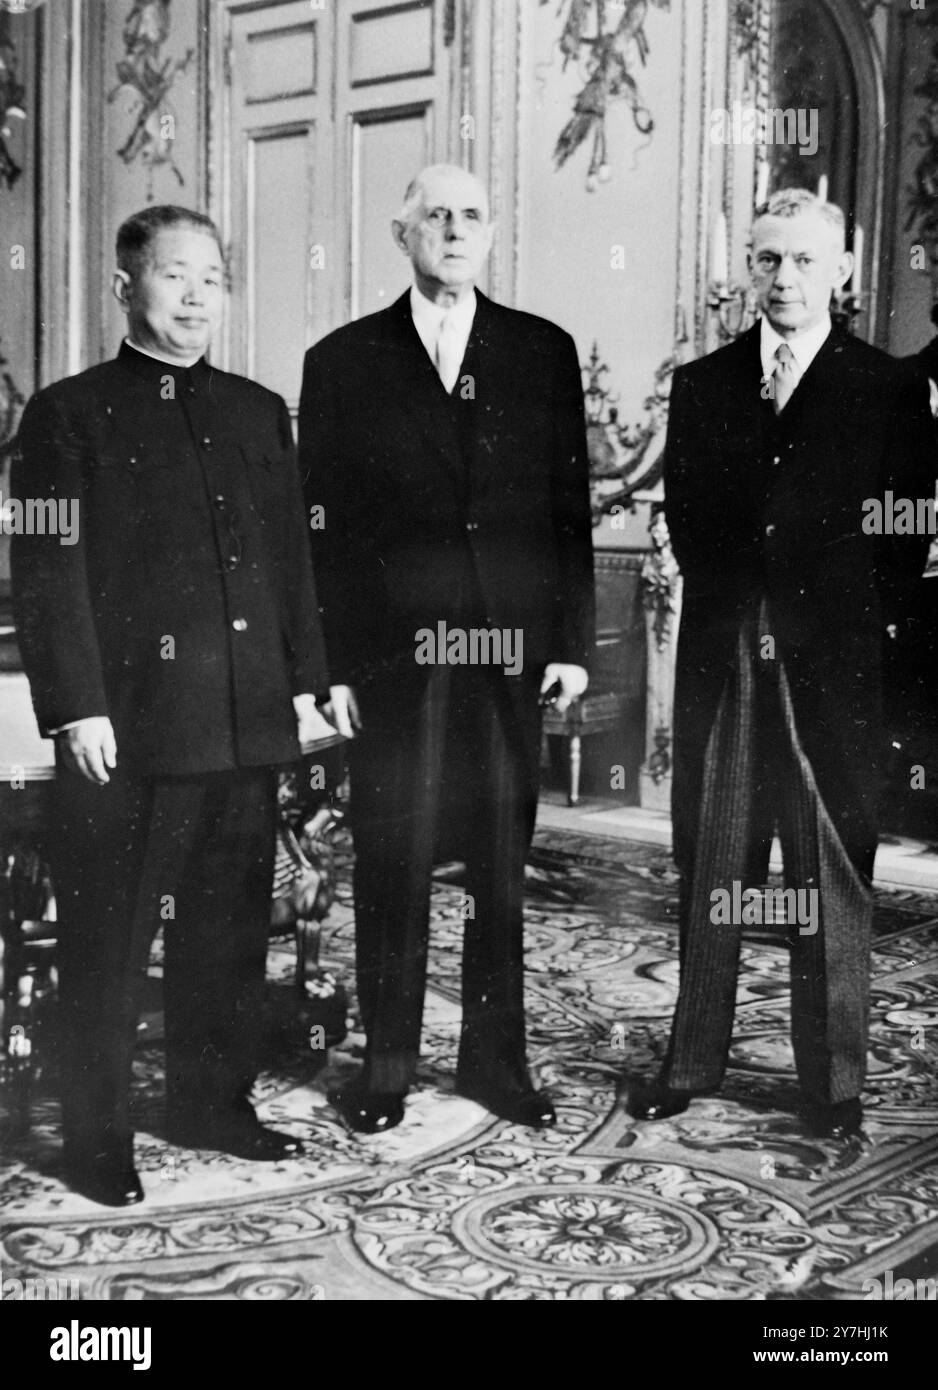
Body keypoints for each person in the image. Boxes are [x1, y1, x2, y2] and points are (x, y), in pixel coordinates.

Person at [11, 205, 334, 1205]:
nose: (196, 298)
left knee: (227, 934)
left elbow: (290, 561)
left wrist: (307, 685)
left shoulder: (253, 409)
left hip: (242, 724)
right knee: (108, 941)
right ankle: (95, 1138)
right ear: (126, 289)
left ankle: (211, 1102)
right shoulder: (67, 413)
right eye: (174, 277)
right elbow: (47, 567)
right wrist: (76, 708)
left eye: (211, 279)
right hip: (129, 731)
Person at [628, 189, 935, 1139]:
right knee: (714, 853)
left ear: (842, 271)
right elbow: (685, 514)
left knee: (828, 863)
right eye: (768, 259)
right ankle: (692, 1058)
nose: (785, 278)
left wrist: (846, 618)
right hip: (728, 650)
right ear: (748, 269)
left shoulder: (885, 387)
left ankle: (831, 1085)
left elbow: (903, 524)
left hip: (832, 660)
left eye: (804, 260)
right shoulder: (704, 384)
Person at [299, 164, 594, 1133]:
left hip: (507, 651)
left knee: (498, 870)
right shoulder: (342, 361)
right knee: (392, 855)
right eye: (436, 215)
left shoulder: (540, 351)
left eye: (472, 216)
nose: (455, 230)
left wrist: (571, 643)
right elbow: (324, 533)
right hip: (394, 655)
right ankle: (385, 1066)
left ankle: (494, 1062)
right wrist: (330, 666)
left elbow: (566, 510)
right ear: (402, 233)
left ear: (491, 232)